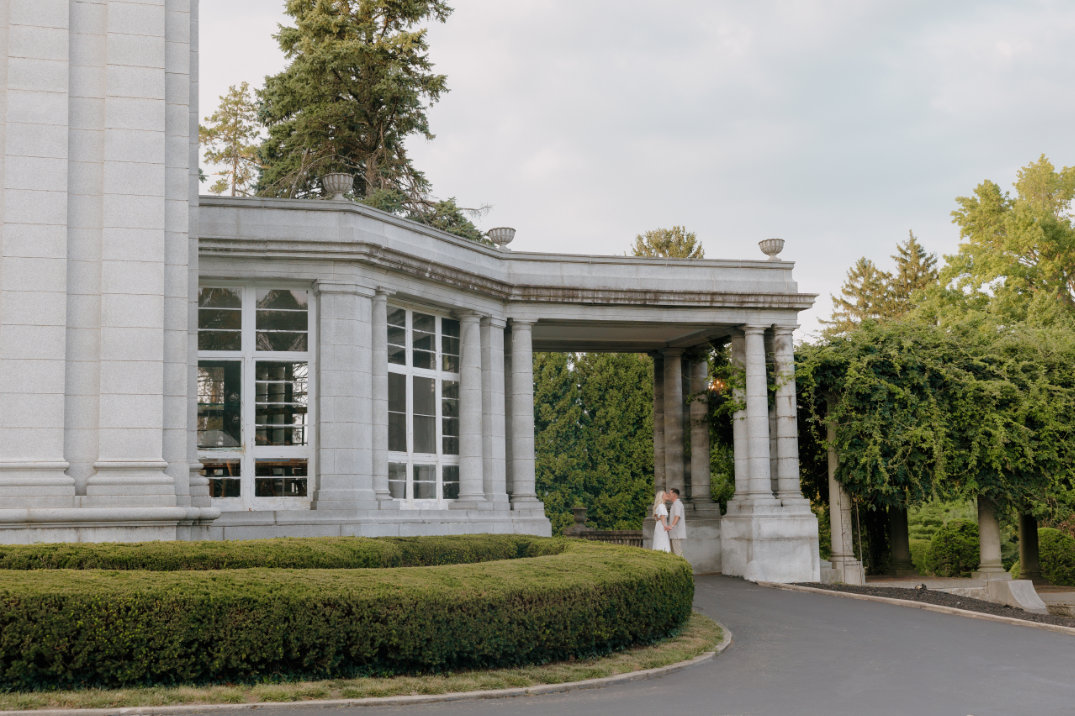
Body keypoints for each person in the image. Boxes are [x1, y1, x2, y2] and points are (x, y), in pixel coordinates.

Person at [667, 488, 686, 556]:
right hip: (674, 533)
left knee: (678, 553)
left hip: (676, 533)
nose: (668, 495)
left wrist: (671, 526)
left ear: (674, 495)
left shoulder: (677, 504)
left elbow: (677, 516)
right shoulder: (674, 504)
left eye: (670, 494)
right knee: (675, 553)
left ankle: (683, 566)